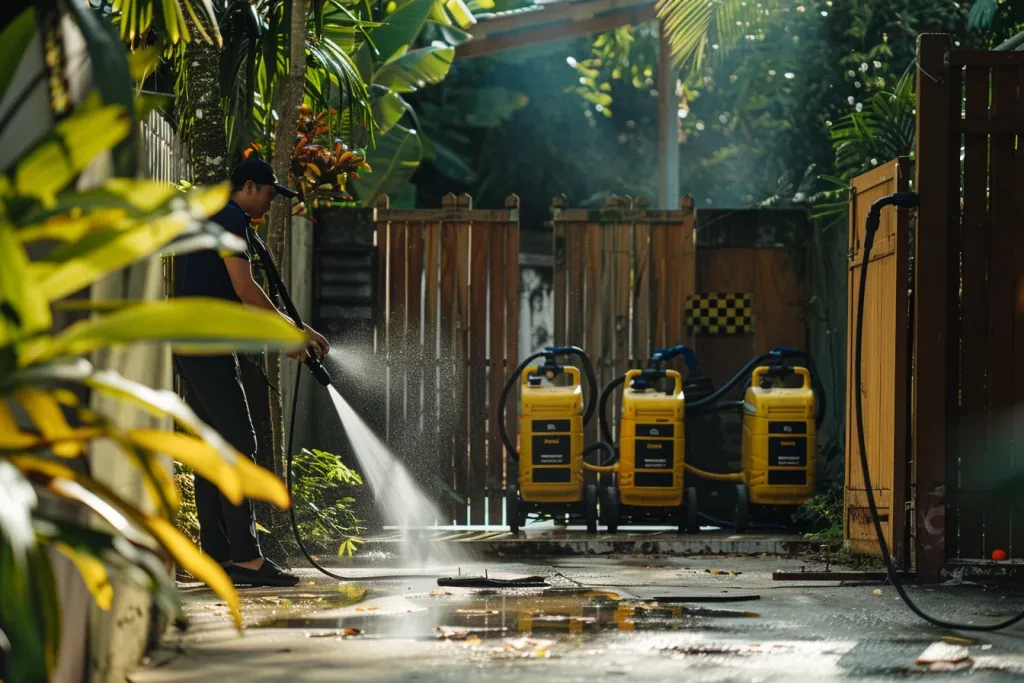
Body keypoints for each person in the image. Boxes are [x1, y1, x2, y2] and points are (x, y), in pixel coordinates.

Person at [172, 157, 331, 587]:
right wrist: (292, 334)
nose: (270, 202)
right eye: (268, 192)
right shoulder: (229, 217)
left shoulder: (209, 214)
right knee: (240, 443)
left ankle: (220, 556)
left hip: (190, 342)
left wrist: (300, 331)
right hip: (208, 345)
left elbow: (235, 289)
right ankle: (245, 557)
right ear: (248, 186)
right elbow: (245, 289)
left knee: (214, 448)